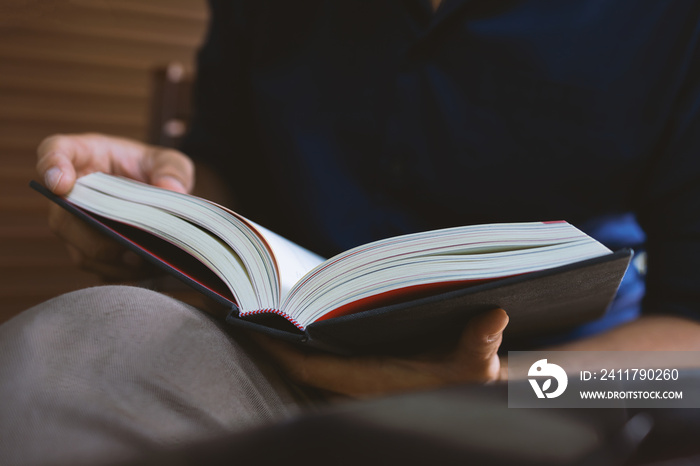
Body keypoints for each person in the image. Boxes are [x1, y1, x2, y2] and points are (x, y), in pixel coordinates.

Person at [3, 0, 700, 463]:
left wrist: (509, 382)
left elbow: (690, 363)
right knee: (74, 346)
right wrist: (158, 200)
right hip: (273, 360)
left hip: (543, 388)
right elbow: (229, 171)